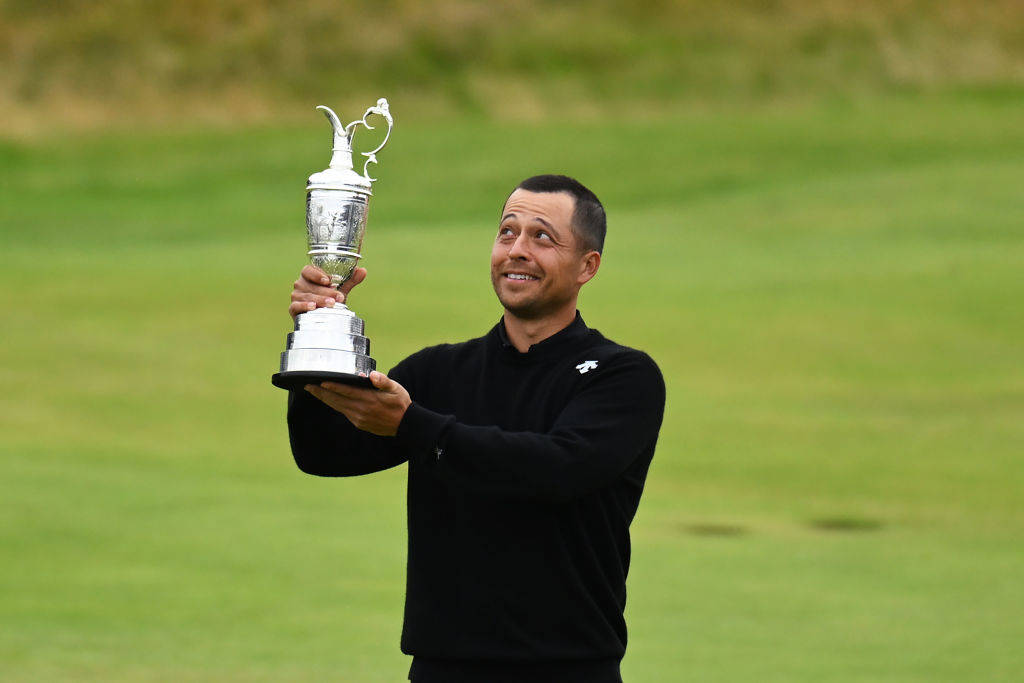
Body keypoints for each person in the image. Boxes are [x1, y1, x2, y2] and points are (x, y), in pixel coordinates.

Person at [286, 174, 665, 683]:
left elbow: (560, 469)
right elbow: (324, 453)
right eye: (507, 232)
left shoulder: (622, 376)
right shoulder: (439, 372)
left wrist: (415, 426)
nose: (517, 249)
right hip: (442, 667)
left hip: (568, 668)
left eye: (542, 237)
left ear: (587, 266)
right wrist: (316, 337)